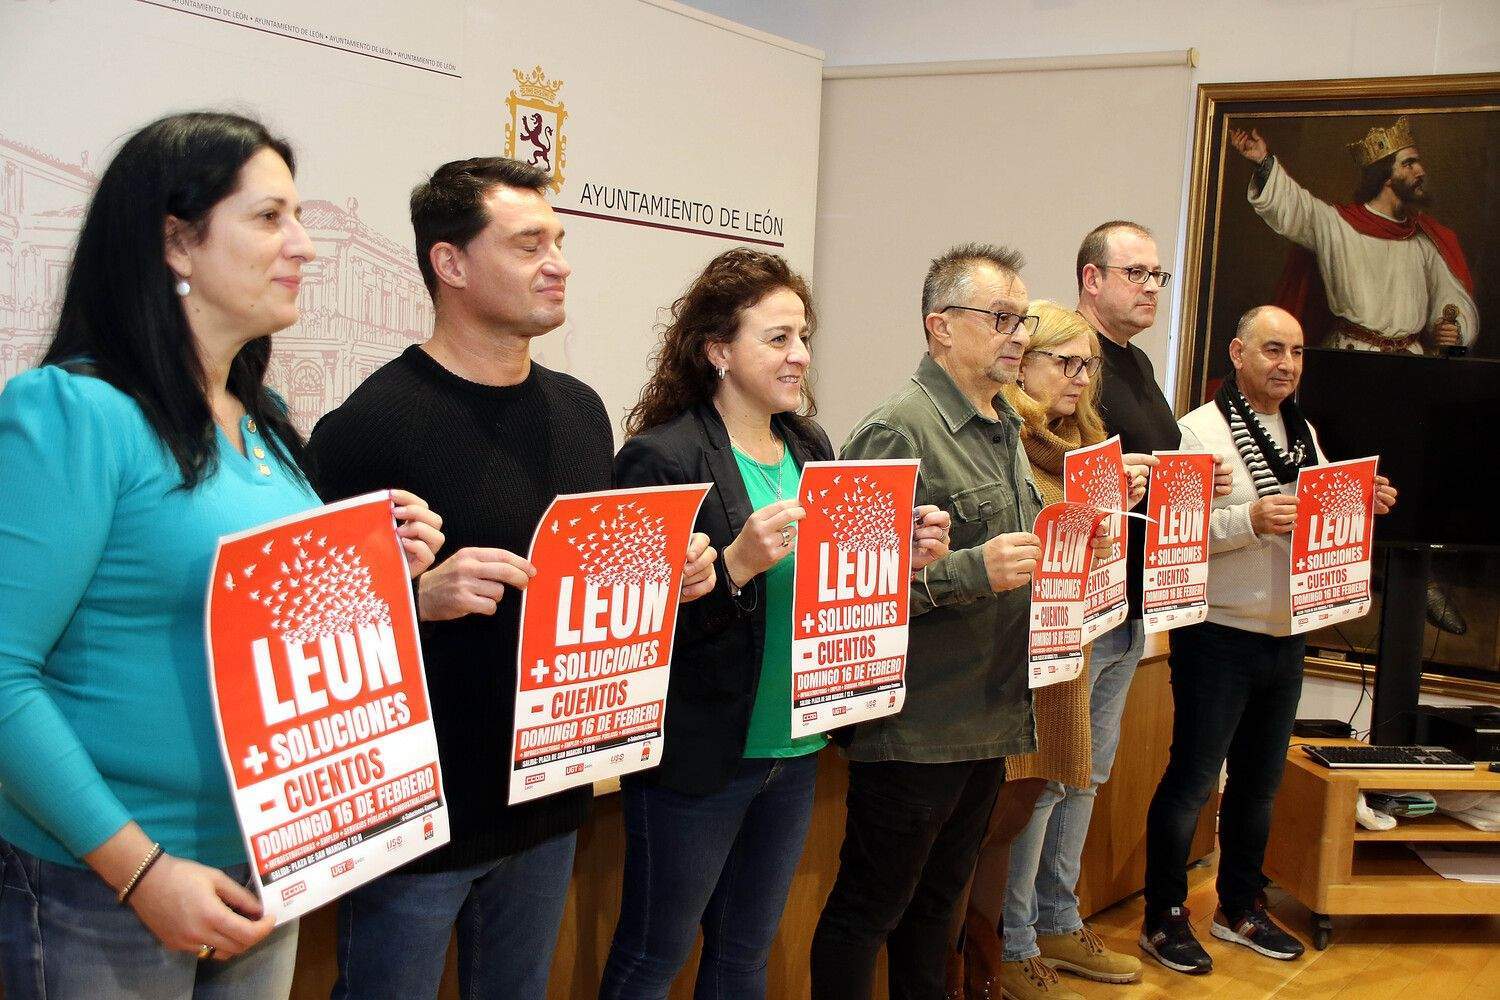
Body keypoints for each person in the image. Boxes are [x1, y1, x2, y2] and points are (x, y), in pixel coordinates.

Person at [0, 111, 442, 999]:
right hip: (105, 888)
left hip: (264, 864)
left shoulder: (264, 422)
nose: (306, 246)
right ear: (176, 243)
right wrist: (140, 869)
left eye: (300, 217)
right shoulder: (72, 413)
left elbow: (251, 625)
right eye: (270, 217)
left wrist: (386, 582)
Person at [305, 157, 715, 1000]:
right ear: (450, 264)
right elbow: (306, 630)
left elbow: (588, 582)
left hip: (548, 792)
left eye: (558, 240)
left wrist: (662, 575)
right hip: (418, 817)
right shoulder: (367, 427)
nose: (558, 261)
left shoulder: (579, 408)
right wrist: (415, 599)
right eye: (530, 244)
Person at [600, 248, 951, 999]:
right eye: (778, 338)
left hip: (795, 751)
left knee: (745, 954)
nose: (800, 356)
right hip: (698, 759)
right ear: (718, 350)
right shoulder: (661, 459)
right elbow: (630, 634)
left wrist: (899, 551)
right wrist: (733, 566)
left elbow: (833, 591)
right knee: (652, 958)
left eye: (803, 338)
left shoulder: (810, 446)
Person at [810, 243, 1108, 1000]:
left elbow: (1016, 546)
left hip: (989, 715)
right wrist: (970, 571)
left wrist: (1072, 536)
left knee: (937, 910)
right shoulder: (897, 431)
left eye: (1020, 318)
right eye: (1000, 317)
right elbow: (846, 596)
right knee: (870, 910)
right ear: (940, 327)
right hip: (916, 726)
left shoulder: (1002, 418)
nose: (1016, 334)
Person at [1139, 305, 1397, 975]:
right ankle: (1163, 918)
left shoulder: (1301, 431)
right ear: (1237, 353)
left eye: (1297, 353)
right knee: (1193, 782)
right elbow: (1176, 533)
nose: (1286, 364)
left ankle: (1240, 906)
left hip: (1287, 634)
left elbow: (1316, 505)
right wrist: (1250, 519)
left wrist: (1361, 500)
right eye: (1273, 350)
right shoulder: (1197, 432)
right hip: (1217, 633)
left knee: (1258, 786)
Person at [962, 303, 1148, 1000]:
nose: (1077, 378)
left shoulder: (1086, 442)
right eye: (1062, 362)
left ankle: (1050, 923)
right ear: (1023, 362)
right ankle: (1008, 944)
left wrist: (1113, 502)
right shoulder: (1010, 439)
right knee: (1024, 799)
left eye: (1087, 365)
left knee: (1071, 780)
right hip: (1019, 653)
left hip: (1082, 633)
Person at [1230, 119, 1477, 354]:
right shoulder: (1337, 224)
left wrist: (1453, 329)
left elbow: (1452, 297)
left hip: (1409, 361)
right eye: (1409, 164)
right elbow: (1293, 206)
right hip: (1349, 357)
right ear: (1387, 176)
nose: (1420, 171)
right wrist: (1263, 161)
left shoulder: (1423, 241)